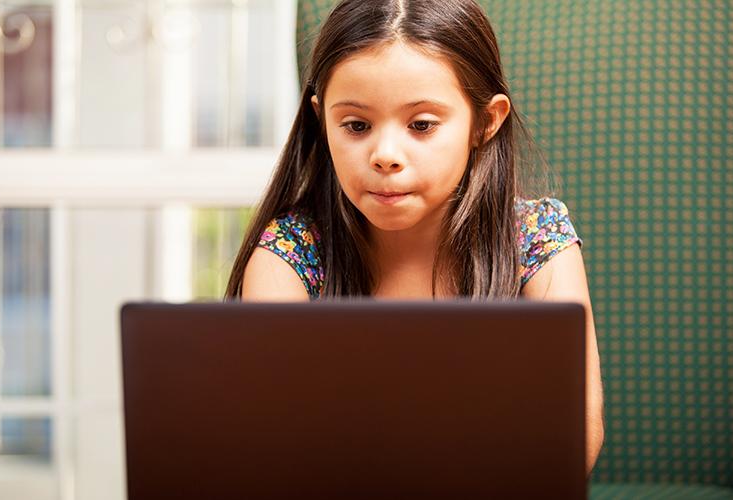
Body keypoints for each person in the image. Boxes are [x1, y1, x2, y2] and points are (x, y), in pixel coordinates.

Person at [226, 0, 603, 476]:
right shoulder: (289, 250)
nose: (385, 155)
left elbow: (576, 437)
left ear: (485, 123)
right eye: (356, 126)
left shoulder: (536, 239)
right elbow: (273, 439)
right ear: (322, 121)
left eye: (421, 125)